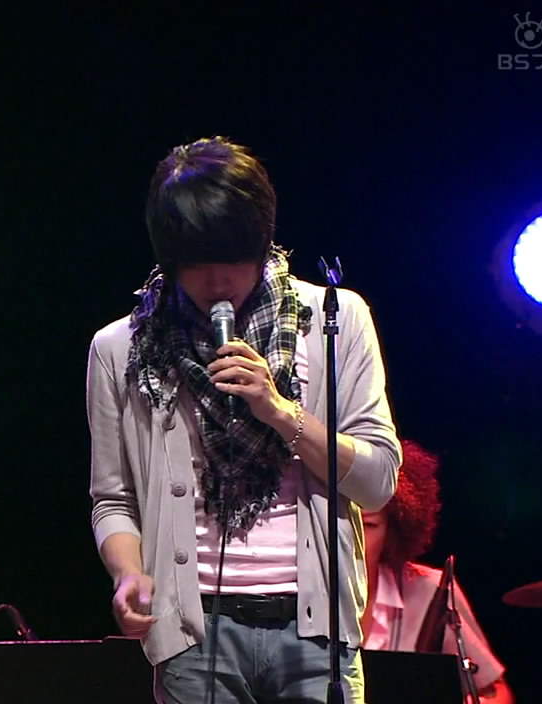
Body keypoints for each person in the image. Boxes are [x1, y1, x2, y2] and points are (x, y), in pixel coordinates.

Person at [87, 136, 401, 703]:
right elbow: (113, 499)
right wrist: (129, 574)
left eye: (233, 261)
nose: (217, 284)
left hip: (315, 632)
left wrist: (278, 410)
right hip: (193, 634)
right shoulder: (121, 349)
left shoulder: (334, 321)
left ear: (262, 242)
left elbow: (377, 482)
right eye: (197, 266)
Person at [361, 440, 514, 703]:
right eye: (341, 525)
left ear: (392, 532)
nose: (352, 541)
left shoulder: (429, 590)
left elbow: (497, 694)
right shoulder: (292, 593)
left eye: (368, 526)